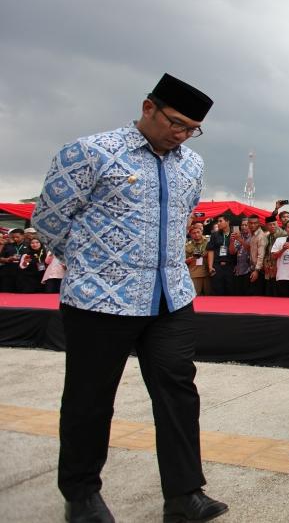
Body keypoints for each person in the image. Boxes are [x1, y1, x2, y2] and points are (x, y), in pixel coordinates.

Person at [32, 73, 227, 522]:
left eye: (191, 128)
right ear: (147, 108)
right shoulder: (90, 151)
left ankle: (184, 495)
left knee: (178, 392)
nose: (181, 134)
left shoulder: (191, 165)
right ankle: (80, 495)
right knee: (90, 397)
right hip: (101, 299)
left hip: (171, 298)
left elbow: (181, 221)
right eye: (176, 123)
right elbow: (49, 220)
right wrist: (93, 266)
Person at [185, 224, 211, 296]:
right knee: (196, 296)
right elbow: (184, 261)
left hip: (208, 272)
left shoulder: (209, 241)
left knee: (209, 296)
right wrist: (192, 258)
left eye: (198, 232)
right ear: (190, 235)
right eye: (194, 233)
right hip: (195, 273)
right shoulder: (188, 245)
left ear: (201, 232)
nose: (196, 234)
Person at [247, 215, 267, 296]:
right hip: (253, 268)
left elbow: (261, 255)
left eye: (255, 223)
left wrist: (256, 270)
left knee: (257, 296)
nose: (252, 225)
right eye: (251, 223)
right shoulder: (252, 234)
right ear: (248, 223)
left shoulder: (261, 236)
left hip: (259, 270)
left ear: (259, 224)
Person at [262, 215, 280, 296]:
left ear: (277, 224)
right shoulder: (268, 236)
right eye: (270, 224)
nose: (273, 226)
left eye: (274, 224)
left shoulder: (282, 235)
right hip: (269, 267)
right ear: (266, 226)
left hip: (278, 267)